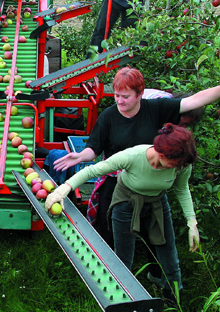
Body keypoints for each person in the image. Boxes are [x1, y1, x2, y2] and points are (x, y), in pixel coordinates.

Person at [53, 67, 220, 246]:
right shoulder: (109, 116)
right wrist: (80, 157)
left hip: (149, 176)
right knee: (107, 228)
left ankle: (154, 270)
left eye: (125, 97)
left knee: (152, 231)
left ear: (140, 94)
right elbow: (94, 149)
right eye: (117, 95)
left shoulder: (155, 108)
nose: (119, 101)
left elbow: (196, 100)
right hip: (116, 179)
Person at [46, 124, 199, 301]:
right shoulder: (134, 156)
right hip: (126, 201)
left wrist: (191, 221)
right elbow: (93, 170)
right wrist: (63, 189)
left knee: (169, 255)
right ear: (162, 155)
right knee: (124, 255)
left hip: (157, 203)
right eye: (174, 164)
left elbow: (182, 189)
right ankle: (120, 300)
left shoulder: (181, 164)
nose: (177, 168)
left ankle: (174, 300)